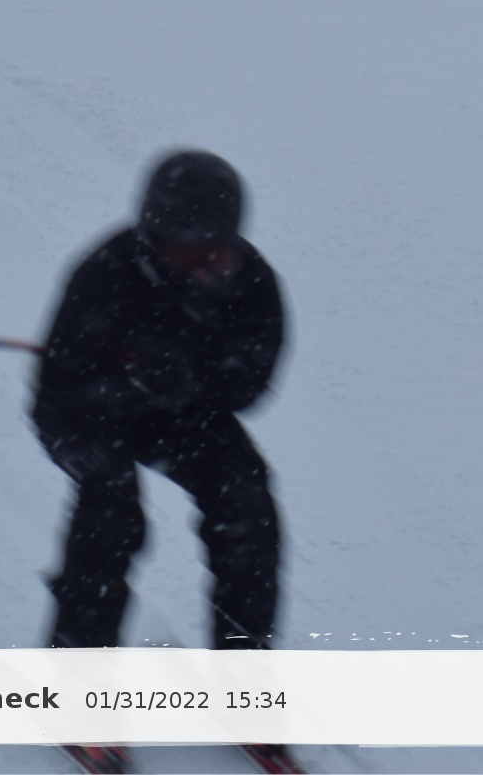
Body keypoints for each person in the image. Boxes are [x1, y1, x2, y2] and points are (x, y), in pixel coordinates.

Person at [32, 149, 286, 651]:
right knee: (110, 512)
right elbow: (54, 391)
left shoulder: (252, 285)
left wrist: (194, 378)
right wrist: (121, 390)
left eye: (214, 253)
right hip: (98, 419)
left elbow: (252, 381)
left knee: (245, 501)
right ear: (153, 239)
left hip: (188, 417)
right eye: (186, 255)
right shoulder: (104, 273)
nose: (202, 268)